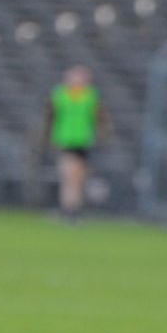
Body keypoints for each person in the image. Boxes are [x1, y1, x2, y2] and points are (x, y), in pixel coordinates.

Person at [43, 66, 110, 223]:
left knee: (78, 178)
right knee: (69, 175)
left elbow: (99, 118)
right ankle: (68, 209)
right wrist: (48, 137)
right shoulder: (59, 95)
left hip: (83, 141)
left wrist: (102, 135)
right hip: (65, 140)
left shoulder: (90, 96)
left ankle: (74, 209)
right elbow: (50, 118)